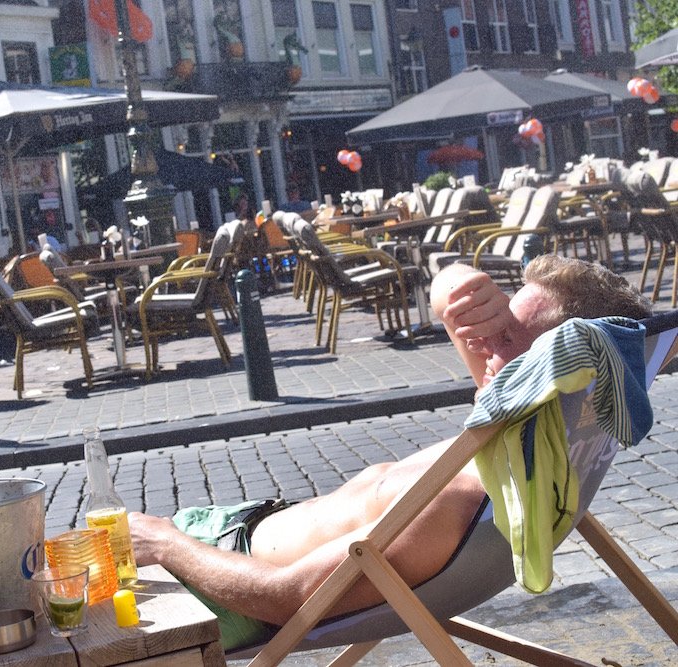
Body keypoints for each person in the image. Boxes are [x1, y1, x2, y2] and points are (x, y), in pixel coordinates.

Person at [129, 255, 652, 650]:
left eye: (510, 337)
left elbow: (286, 597)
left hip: (215, 586)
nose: (485, 345)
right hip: (223, 537)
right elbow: (449, 295)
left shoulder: (454, 501)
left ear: (561, 372)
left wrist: (165, 543)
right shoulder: (525, 436)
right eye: (493, 325)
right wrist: (466, 288)